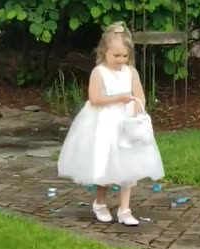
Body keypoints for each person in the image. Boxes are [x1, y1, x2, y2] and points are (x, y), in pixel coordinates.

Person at [58, 21, 164, 226]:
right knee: (105, 162)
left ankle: (125, 208)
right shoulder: (99, 72)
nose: (121, 60)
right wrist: (118, 98)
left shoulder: (131, 72)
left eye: (125, 56)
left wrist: (135, 113)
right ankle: (100, 202)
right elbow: (95, 99)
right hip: (104, 122)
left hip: (126, 122)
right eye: (116, 56)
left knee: (128, 164)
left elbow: (139, 96)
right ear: (104, 51)